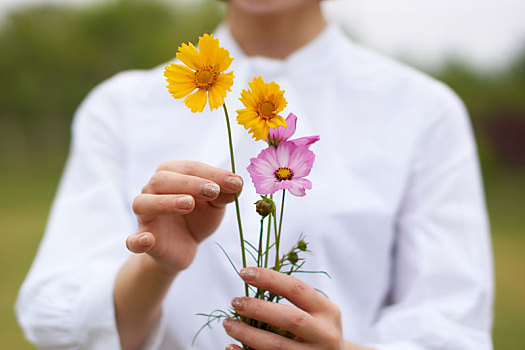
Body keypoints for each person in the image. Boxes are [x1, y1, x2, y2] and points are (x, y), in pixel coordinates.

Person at [16, 0, 494, 349]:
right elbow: (57, 320)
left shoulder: (424, 110)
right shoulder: (120, 107)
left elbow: (452, 327)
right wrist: (156, 265)